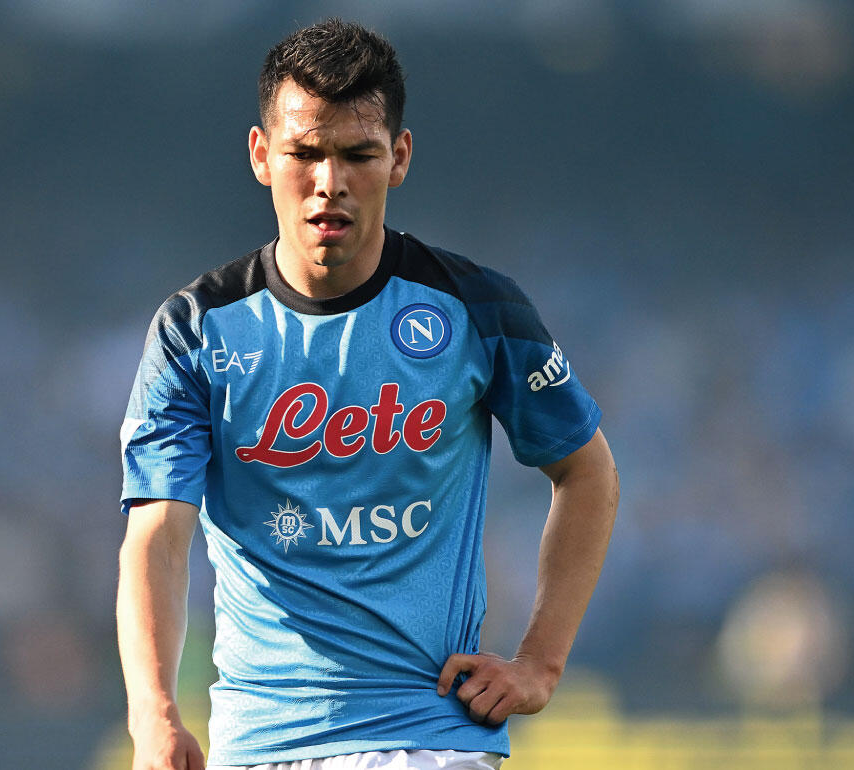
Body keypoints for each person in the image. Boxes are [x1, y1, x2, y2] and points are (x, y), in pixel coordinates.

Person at [116, 18, 619, 770]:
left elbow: (587, 471)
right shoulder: (195, 329)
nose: (330, 181)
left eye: (358, 154)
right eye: (304, 153)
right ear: (261, 155)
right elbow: (157, 533)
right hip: (261, 746)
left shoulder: (478, 307)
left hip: (431, 739)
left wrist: (540, 664)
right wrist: (153, 714)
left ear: (399, 157)